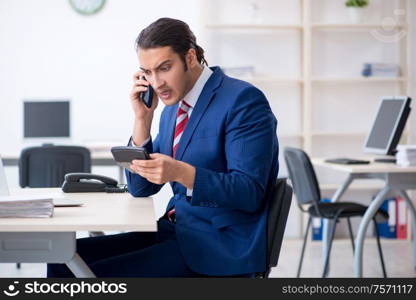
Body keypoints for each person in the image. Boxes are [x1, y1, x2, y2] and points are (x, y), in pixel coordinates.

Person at [47, 17, 279, 277]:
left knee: (80, 273)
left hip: (217, 246)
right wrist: (142, 119)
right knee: (60, 259)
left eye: (164, 68)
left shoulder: (242, 100)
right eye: (147, 72)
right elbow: (141, 187)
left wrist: (181, 173)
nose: (156, 83)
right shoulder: (172, 109)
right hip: (176, 231)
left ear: (190, 58)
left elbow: (250, 192)